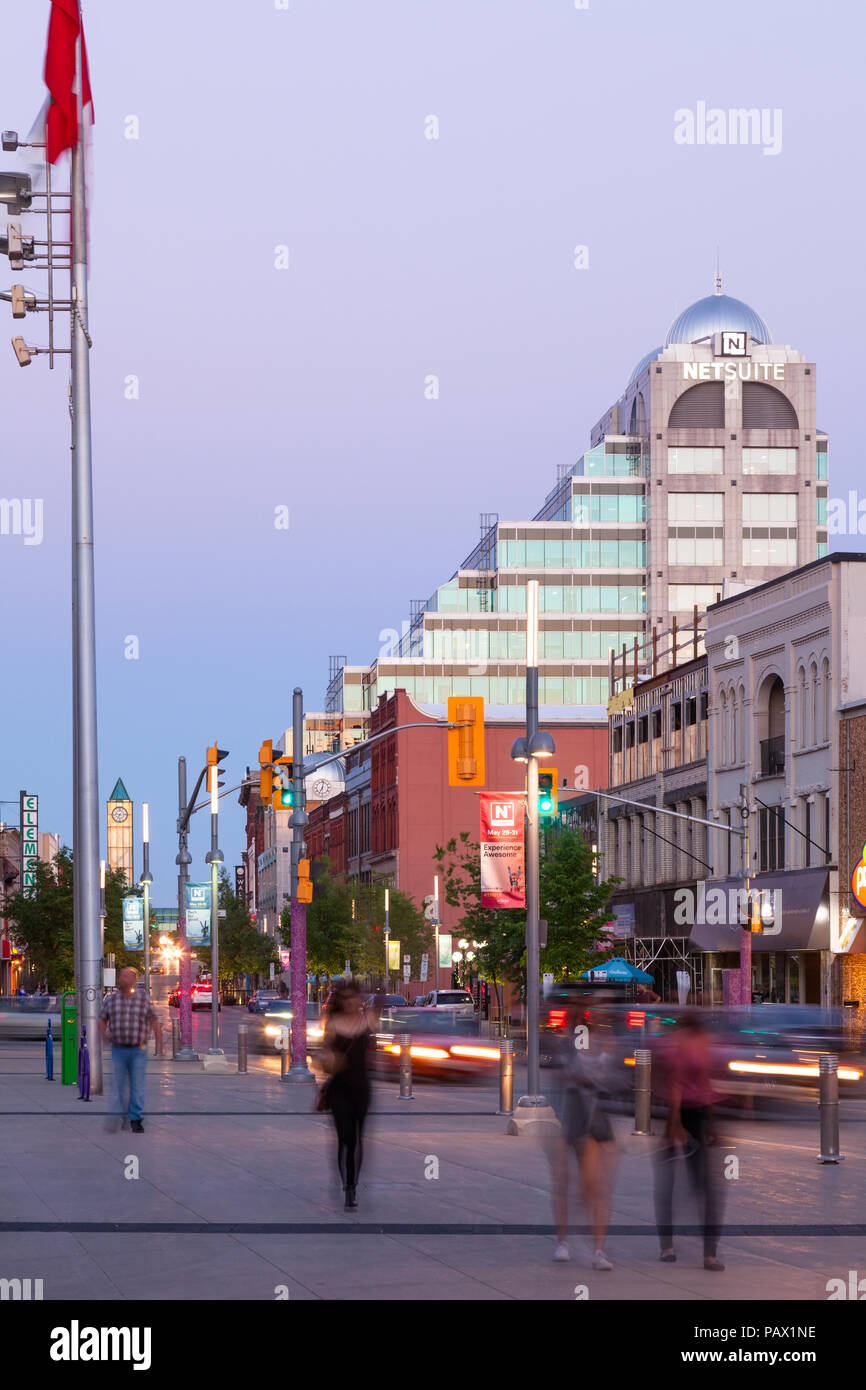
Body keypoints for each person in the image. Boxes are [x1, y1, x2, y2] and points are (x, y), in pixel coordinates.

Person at [652, 1012, 725, 1271]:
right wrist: (675, 1127)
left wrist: (712, 1122)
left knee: (701, 1186)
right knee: (677, 1186)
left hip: (695, 1114)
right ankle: (672, 1248)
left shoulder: (701, 1042)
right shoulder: (680, 1043)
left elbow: (705, 1083)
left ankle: (705, 1252)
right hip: (678, 1115)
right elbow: (675, 1085)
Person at [548, 1008, 618, 1269]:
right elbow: (563, 1076)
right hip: (572, 1113)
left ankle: (598, 1250)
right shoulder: (567, 1047)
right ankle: (563, 1242)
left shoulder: (606, 1043)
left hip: (595, 1117)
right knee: (564, 1181)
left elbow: (615, 1079)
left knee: (594, 1186)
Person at [317, 982, 373, 1210]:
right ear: (341, 1001)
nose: (352, 1002)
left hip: (361, 1088)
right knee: (345, 1138)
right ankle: (347, 1186)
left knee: (358, 1138)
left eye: (355, 998)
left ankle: (353, 1184)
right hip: (339, 1087)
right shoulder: (333, 1023)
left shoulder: (368, 1020)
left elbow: (381, 1002)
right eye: (347, 998)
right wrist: (329, 1058)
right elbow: (323, 1055)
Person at [99, 967, 159, 1133]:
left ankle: (135, 1118)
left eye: (126, 976)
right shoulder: (112, 1000)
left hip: (138, 1050)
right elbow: (102, 1019)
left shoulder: (142, 999)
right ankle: (116, 1116)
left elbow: (153, 1019)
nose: (123, 978)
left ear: (134, 979)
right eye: (121, 976)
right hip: (118, 1049)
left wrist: (160, 1043)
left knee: (137, 1086)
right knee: (117, 1085)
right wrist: (104, 1035)